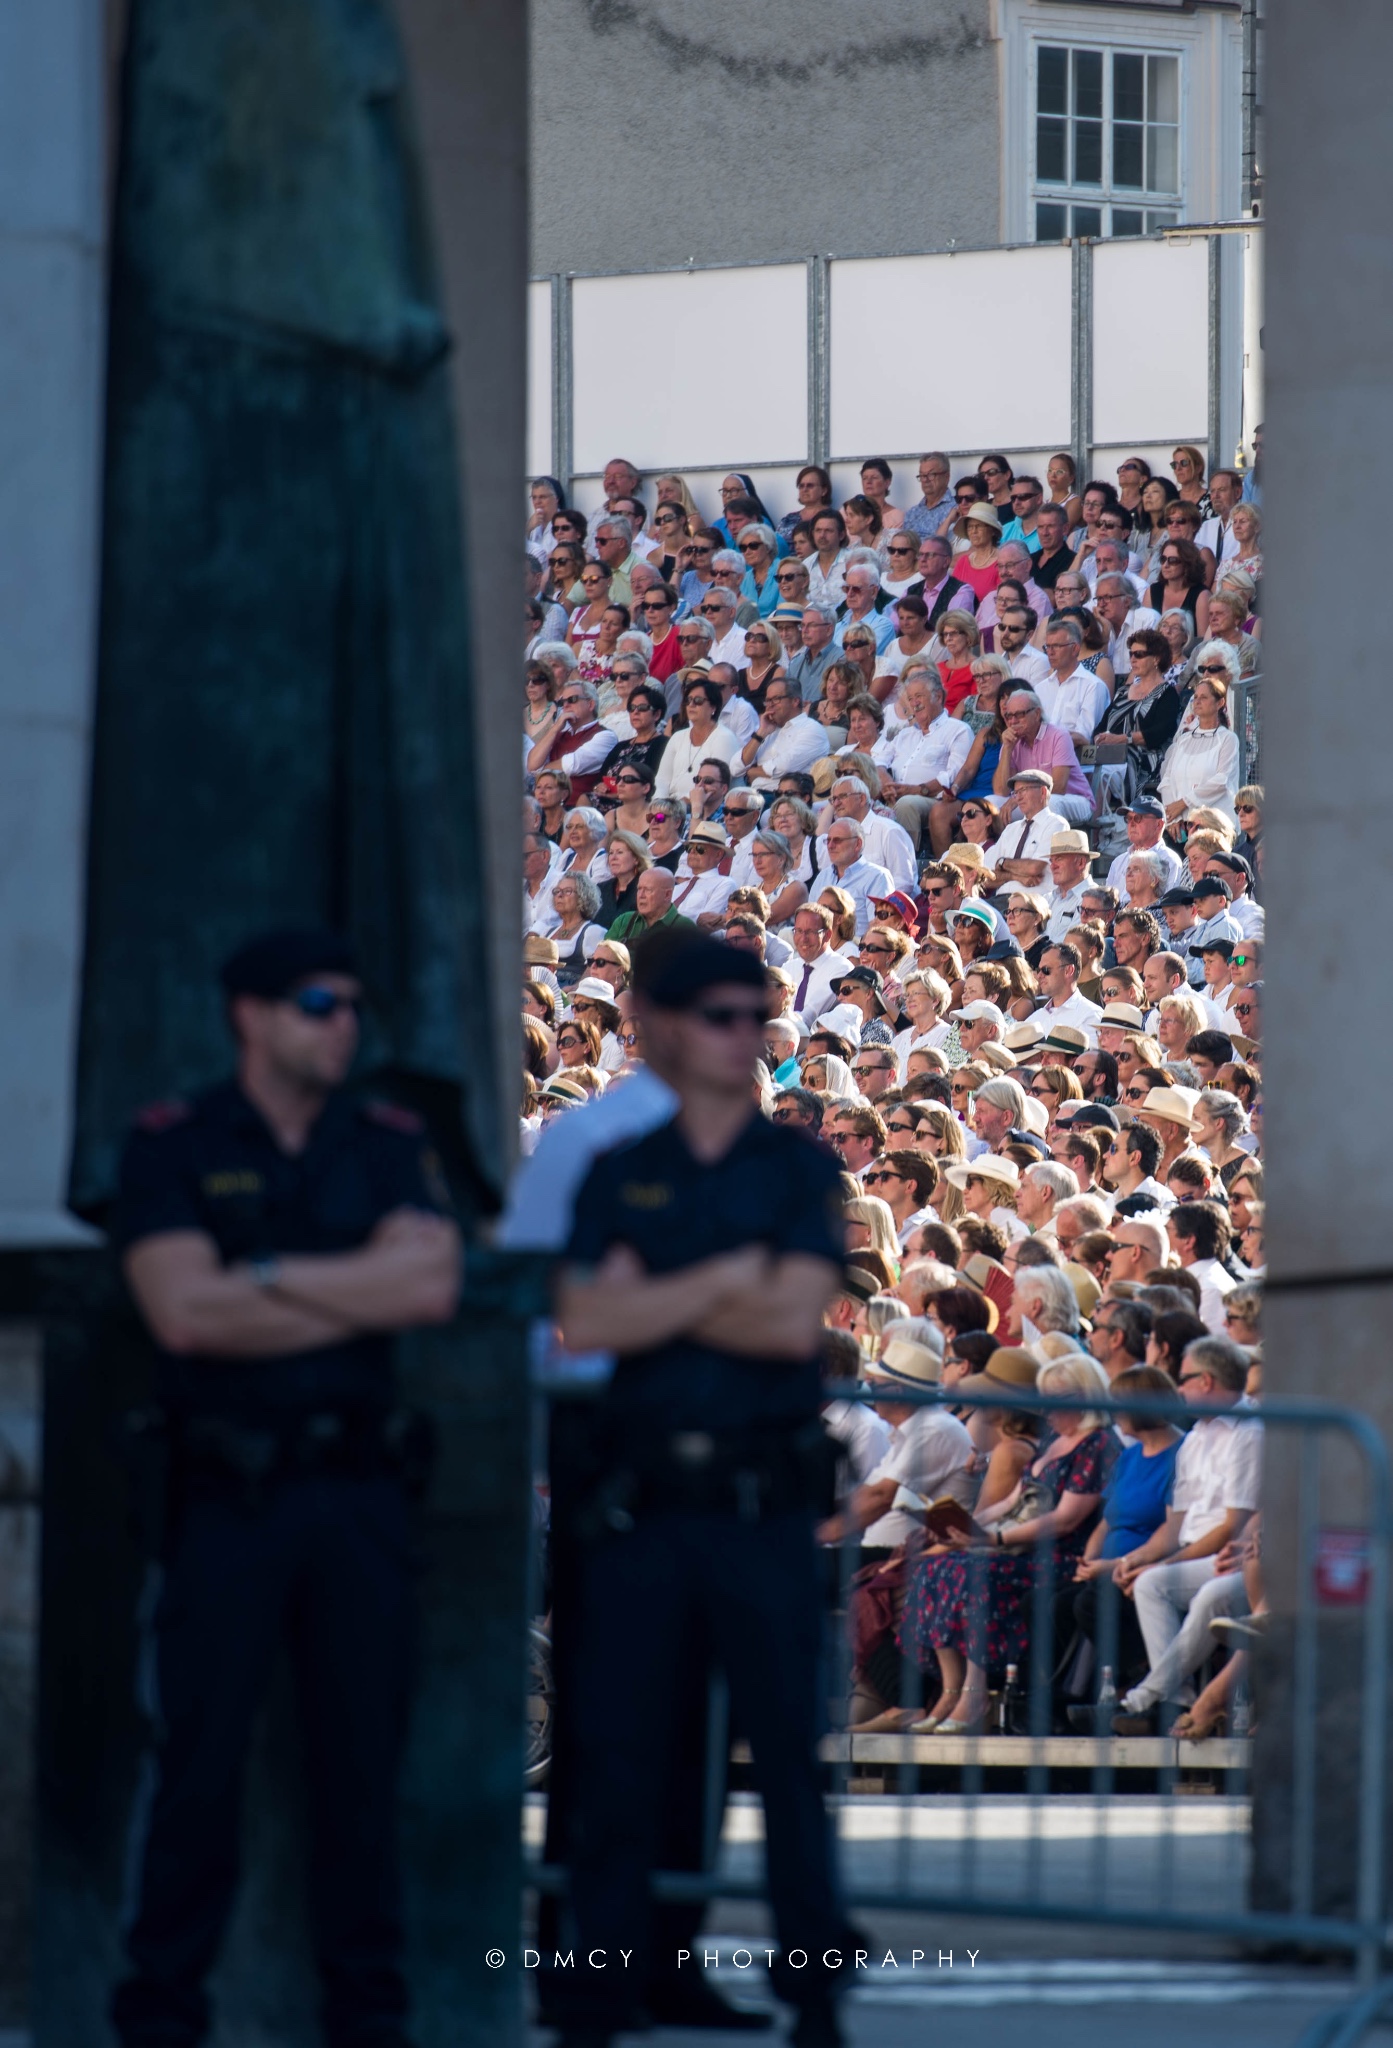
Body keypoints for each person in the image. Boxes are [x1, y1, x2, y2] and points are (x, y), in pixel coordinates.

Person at [108, 928, 463, 2048]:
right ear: (250, 1014)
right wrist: (352, 1281)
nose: (342, 1022)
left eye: (353, 1002)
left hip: (357, 1491)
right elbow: (180, 1311)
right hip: (229, 1495)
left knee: (361, 1771)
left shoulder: (389, 1138)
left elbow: (431, 1285)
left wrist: (257, 1276)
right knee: (198, 1773)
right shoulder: (175, 1141)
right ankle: (161, 2013)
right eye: (318, 1001)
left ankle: (370, 2018)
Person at [554, 935, 855, 2046]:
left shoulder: (797, 1167)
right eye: (723, 1015)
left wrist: (665, 1289)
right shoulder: (615, 1165)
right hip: (644, 1506)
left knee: (786, 1766)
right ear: (666, 1025)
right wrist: (731, 1274)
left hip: (758, 1506)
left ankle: (814, 1991)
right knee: (621, 1763)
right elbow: (587, 1316)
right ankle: (594, 1991)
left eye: (757, 1015)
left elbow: (790, 1322)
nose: (746, 1035)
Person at [1110, 1336, 1261, 1734]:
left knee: (1170, 1586)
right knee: (1147, 1583)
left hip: (1235, 1559)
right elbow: (1177, 1522)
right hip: (1197, 1556)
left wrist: (1170, 1563)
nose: (1178, 1389)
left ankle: (1148, 1697)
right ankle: (1176, 1699)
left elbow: (1234, 1524)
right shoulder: (1194, 1439)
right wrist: (1139, 1558)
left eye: (1184, 1380)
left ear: (1207, 1381)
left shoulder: (1249, 1432)